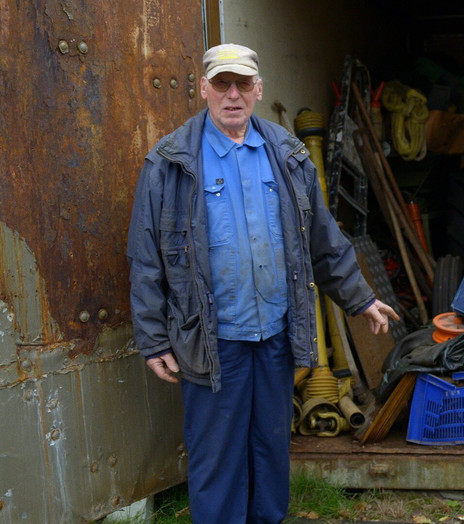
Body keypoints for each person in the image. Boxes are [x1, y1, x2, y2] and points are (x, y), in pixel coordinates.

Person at [126, 43, 399, 523]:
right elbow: (146, 258)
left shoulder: (288, 155)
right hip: (211, 340)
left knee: (271, 445)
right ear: (205, 88)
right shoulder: (169, 163)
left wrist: (362, 299)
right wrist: (152, 341)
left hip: (273, 333)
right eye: (222, 84)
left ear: (259, 89)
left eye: (243, 84)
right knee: (216, 455)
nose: (233, 95)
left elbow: (323, 238)